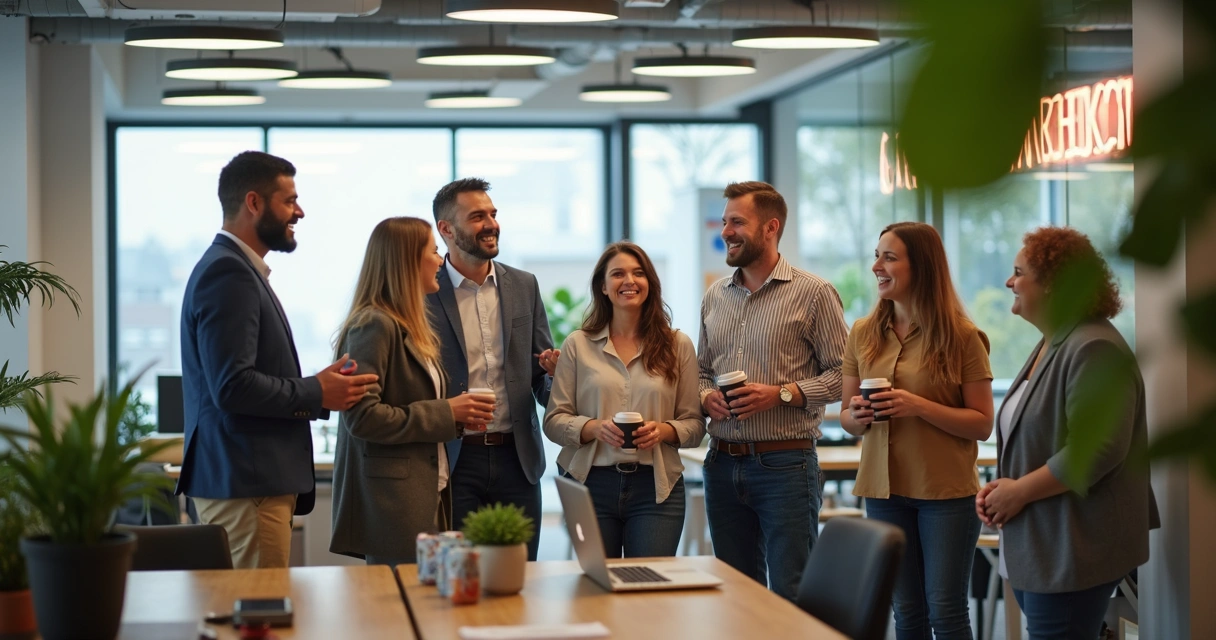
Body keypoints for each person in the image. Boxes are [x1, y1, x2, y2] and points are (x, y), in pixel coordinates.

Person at [178, 151, 378, 569]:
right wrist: (317, 391)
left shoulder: (235, 269)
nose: (299, 211)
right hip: (247, 487)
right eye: (289, 200)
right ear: (254, 203)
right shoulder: (228, 274)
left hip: (246, 484)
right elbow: (232, 385)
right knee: (255, 617)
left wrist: (317, 387)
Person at [977, 227, 1158, 640]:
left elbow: (1097, 450)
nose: (1009, 282)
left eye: (1018, 271)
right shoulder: (1054, 341)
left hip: (1075, 548)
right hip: (1047, 545)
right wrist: (1001, 491)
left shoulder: (1094, 346)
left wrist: (1019, 491)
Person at [840, 222, 994, 639]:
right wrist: (858, 414)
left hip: (944, 494)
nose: (876, 266)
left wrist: (916, 405)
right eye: (877, 256)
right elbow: (847, 418)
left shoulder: (962, 336)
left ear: (921, 266)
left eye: (889, 257)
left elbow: (982, 423)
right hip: (884, 491)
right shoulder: (862, 333)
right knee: (906, 611)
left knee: (944, 611)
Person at [697, 181, 848, 600]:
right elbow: (701, 372)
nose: (726, 231)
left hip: (786, 466)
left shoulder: (814, 293)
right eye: (725, 222)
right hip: (722, 465)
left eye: (737, 222)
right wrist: (704, 396)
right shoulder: (715, 297)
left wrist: (781, 394)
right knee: (735, 594)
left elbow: (843, 375)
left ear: (770, 227)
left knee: (791, 593)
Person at [328, 217, 496, 565]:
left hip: (423, 493)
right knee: (398, 610)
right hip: (393, 503)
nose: (440, 260)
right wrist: (449, 412)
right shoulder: (373, 324)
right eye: (433, 251)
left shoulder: (407, 326)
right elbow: (362, 418)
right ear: (406, 261)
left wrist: (458, 418)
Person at [544, 242, 705, 557]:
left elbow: (695, 425)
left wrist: (664, 431)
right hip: (590, 484)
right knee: (595, 592)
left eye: (638, 273)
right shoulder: (578, 345)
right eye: (618, 274)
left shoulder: (678, 345)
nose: (629, 281)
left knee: (647, 589)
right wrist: (594, 428)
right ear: (603, 287)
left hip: (656, 488)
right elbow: (553, 421)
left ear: (650, 284)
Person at [427, 178, 559, 560]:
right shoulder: (424, 289)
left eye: (493, 214)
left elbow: (540, 377)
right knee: (460, 575)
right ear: (446, 229)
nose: (491, 224)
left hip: (516, 459)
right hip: (454, 459)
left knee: (520, 572)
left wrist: (556, 376)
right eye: (477, 216)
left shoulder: (523, 285)